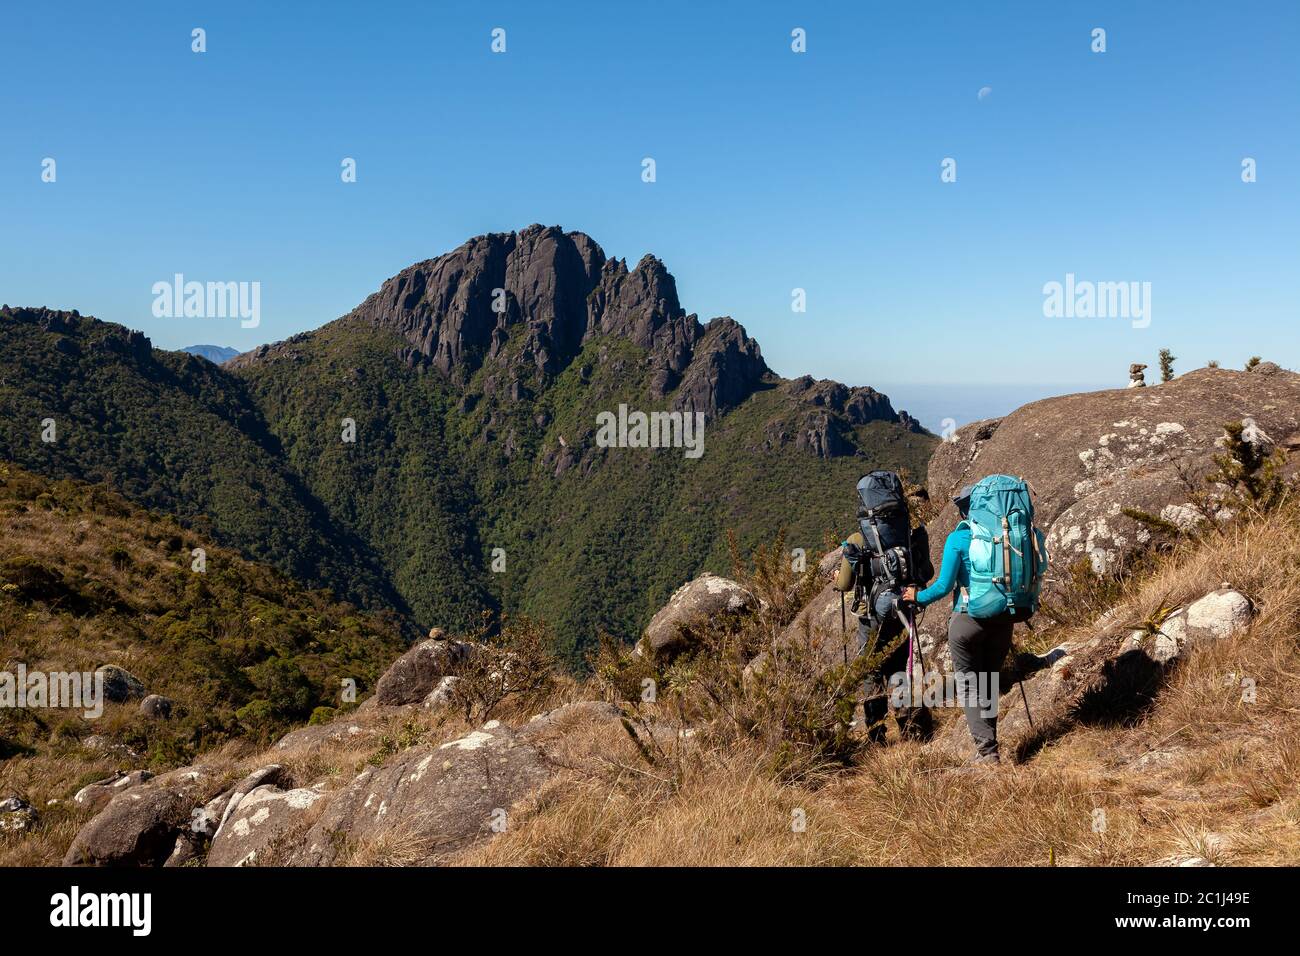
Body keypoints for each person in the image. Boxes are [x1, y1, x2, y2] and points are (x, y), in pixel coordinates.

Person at [902, 484, 1014, 764]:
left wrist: (918, 596)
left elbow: (943, 585)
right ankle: (989, 749)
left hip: (968, 621)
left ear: (964, 510)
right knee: (989, 683)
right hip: (1003, 619)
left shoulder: (959, 538)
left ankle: (987, 754)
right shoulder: (1006, 535)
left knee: (970, 686)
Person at [834, 527, 933, 746]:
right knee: (898, 668)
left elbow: (844, 584)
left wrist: (838, 577)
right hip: (901, 612)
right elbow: (927, 571)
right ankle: (909, 728)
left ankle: (876, 735)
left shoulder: (857, 538)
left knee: (871, 673)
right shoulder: (905, 534)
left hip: (871, 619)